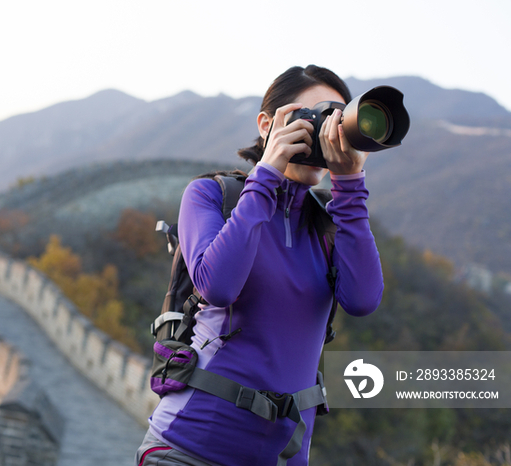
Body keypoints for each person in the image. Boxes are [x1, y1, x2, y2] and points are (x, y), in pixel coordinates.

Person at [135, 65, 384, 466]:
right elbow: (218, 286)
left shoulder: (329, 224)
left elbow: (363, 299)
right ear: (267, 124)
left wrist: (351, 184)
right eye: (313, 116)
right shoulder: (210, 196)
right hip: (187, 448)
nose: (324, 133)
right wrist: (266, 176)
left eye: (335, 121)